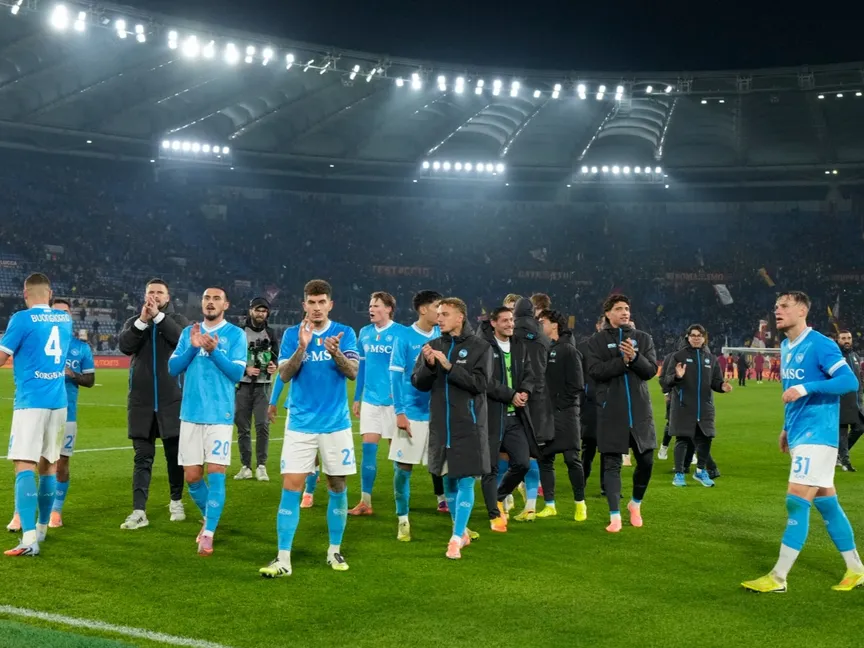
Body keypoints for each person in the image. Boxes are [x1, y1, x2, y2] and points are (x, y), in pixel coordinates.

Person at [743, 291, 864, 593]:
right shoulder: (786, 345)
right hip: (799, 433)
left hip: (818, 434)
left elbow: (849, 381)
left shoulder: (821, 344)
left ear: (802, 311)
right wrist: (786, 428)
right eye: (776, 306)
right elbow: (790, 390)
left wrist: (806, 388)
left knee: (796, 501)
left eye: (784, 306)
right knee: (827, 503)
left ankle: (778, 577)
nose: (777, 310)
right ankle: (856, 569)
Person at [260, 280, 359, 578]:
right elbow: (285, 374)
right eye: (311, 303)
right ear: (304, 305)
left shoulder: (344, 333)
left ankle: (334, 550)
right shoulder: (293, 334)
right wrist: (302, 347)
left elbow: (353, 372)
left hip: (335, 425)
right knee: (291, 486)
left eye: (322, 302)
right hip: (301, 424)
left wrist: (336, 353)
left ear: (330, 304)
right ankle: (283, 559)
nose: (317, 308)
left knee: (337, 486)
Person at [412, 297, 493, 560]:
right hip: (441, 426)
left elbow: (481, 384)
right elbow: (418, 383)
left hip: (468, 425)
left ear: (460, 317)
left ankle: (456, 538)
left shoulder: (481, 347)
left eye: (445, 314)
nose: (439, 319)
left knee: (466, 479)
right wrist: (429, 365)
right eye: (438, 314)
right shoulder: (433, 346)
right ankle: (462, 532)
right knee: (448, 481)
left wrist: (449, 367)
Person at [168, 288, 246, 556]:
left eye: (216, 299)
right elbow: (173, 368)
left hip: (219, 415)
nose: (210, 303)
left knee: (216, 473)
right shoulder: (188, 333)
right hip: (190, 414)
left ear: (226, 304)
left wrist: (214, 351)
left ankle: (209, 532)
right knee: (192, 477)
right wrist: (193, 347)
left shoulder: (235, 334)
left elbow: (237, 373)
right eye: (206, 298)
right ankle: (209, 516)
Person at [0, 273, 73, 556]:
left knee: (24, 465)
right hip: (58, 402)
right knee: (49, 466)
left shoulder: (21, 319)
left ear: (25, 293)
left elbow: (2, 357)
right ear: (50, 293)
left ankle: (29, 539)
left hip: (31, 402)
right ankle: (41, 528)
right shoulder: (64, 319)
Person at [117, 279, 189, 530]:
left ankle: (176, 501)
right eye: (151, 292)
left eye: (160, 292)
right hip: (141, 403)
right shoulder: (134, 322)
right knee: (142, 458)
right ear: (145, 296)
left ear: (167, 298)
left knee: (174, 457)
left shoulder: (178, 320)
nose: (155, 296)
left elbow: (181, 340)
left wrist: (158, 317)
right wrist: (142, 320)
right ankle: (139, 511)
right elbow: (125, 346)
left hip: (172, 401)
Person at [584, 294, 657, 533]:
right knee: (611, 463)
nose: (625, 312)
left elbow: (650, 371)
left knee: (646, 460)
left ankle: (635, 504)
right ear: (608, 313)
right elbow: (595, 371)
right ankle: (614, 515)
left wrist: (634, 358)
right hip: (611, 411)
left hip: (640, 411)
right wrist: (622, 362)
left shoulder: (643, 338)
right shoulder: (596, 341)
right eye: (618, 308)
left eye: (626, 308)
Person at [388, 290, 442, 541]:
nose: (440, 311)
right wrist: (399, 412)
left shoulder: (443, 335)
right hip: (411, 413)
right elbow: (395, 376)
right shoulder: (404, 337)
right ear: (423, 309)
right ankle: (403, 521)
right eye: (437, 306)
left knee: (447, 469)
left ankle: (458, 524)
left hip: (438, 412)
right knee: (403, 468)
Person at [476, 306, 535, 532]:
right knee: (490, 468)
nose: (510, 324)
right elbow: (485, 381)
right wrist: (511, 394)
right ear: (493, 323)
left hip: (515, 417)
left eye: (511, 320)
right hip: (492, 416)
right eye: (505, 321)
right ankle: (494, 514)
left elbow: (529, 373)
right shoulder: (484, 346)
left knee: (522, 463)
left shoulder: (519, 345)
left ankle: (499, 497)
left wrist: (525, 391)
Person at [349, 292, 405, 516]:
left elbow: (408, 367)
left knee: (398, 455)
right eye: (370, 305)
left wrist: (400, 395)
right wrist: (357, 397)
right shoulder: (364, 332)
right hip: (371, 401)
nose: (371, 309)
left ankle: (401, 504)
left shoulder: (401, 333)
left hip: (394, 403)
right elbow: (362, 368)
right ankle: (365, 502)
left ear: (389, 309)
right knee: (368, 450)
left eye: (377, 305)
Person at [661, 324, 732, 488]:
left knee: (706, 438)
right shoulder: (678, 356)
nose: (696, 338)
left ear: (704, 338)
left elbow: (715, 381)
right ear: (688, 337)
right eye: (693, 335)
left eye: (699, 335)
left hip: (705, 407)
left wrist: (722, 386)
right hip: (684, 406)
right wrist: (677, 376)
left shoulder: (711, 359)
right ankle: (679, 474)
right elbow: (667, 380)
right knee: (682, 439)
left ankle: (700, 471)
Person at [536, 309, 587, 522]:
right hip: (547, 413)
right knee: (545, 458)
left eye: (543, 322)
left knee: (572, 459)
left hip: (566, 413)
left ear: (554, 325)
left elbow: (577, 385)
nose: (540, 325)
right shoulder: (547, 348)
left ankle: (580, 504)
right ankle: (550, 505)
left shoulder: (568, 350)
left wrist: (559, 405)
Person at [508, 297, 554, 516]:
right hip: (539, 401)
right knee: (533, 454)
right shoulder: (543, 337)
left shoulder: (510, 334)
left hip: (514, 398)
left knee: (506, 452)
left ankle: (504, 500)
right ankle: (531, 506)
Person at [234, 297, 280, 482]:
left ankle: (261, 466)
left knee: (262, 425)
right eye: (258, 310)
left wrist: (273, 366)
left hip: (263, 385)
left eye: (264, 311)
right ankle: (246, 466)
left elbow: (275, 356)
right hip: (243, 384)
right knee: (242, 427)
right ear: (250, 311)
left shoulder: (271, 333)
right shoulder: (239, 332)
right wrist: (245, 369)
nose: (261, 314)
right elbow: (231, 356)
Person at [579, 316, 604, 495]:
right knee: (588, 447)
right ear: (597, 325)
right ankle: (581, 482)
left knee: (610, 449)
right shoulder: (584, 347)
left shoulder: (618, 346)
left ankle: (607, 486)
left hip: (611, 404)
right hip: (590, 403)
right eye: (603, 323)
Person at [835, 330, 863, 472]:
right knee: (843, 431)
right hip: (842, 401)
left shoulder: (854, 356)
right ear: (838, 340)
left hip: (856, 402)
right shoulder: (835, 357)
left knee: (860, 427)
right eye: (843, 338)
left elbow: (859, 378)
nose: (847, 340)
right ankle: (845, 461)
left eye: (849, 338)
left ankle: (838, 455)